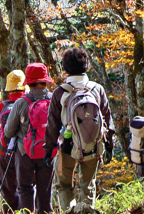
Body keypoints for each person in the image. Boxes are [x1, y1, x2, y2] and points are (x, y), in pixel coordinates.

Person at [44, 47, 113, 214]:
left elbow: (52, 124)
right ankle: (87, 210)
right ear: (86, 66)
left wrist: (49, 149)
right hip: (92, 147)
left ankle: (69, 211)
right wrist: (109, 144)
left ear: (66, 68)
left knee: (64, 185)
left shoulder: (60, 92)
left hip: (67, 146)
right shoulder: (97, 89)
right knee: (87, 185)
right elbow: (108, 119)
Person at [3, 63, 56, 214]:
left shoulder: (21, 103)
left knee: (25, 189)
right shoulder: (53, 100)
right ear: (45, 81)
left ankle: (27, 212)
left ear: (29, 82)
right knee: (45, 189)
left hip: (25, 151)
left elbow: (8, 131)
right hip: (48, 151)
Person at [0, 69, 26, 213]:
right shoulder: (28, 103)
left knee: (7, 188)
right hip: (26, 152)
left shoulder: (2, 106)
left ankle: (8, 211)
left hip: (4, 152)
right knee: (26, 187)